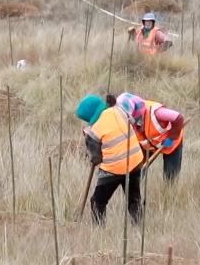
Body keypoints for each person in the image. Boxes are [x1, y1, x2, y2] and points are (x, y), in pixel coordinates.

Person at [76, 94, 144, 225]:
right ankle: (139, 227)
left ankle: (98, 231)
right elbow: (133, 122)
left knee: (98, 201)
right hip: (135, 160)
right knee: (134, 200)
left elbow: (96, 159)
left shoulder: (95, 129)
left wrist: (89, 139)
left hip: (114, 167)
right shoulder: (118, 110)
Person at [117, 93, 185, 182]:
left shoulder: (156, 112)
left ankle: (169, 190)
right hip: (148, 144)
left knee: (171, 176)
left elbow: (179, 118)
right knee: (137, 171)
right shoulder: (126, 119)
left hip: (171, 142)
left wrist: (170, 140)